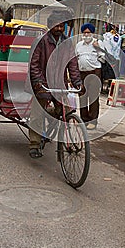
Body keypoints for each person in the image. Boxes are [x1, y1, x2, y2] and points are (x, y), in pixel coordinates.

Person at [28, 12, 82, 158]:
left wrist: (77, 81)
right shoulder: (41, 41)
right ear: (50, 26)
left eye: (61, 26)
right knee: (37, 113)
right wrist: (38, 81)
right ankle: (34, 144)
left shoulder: (67, 43)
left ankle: (52, 125)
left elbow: (73, 64)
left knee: (65, 111)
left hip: (59, 83)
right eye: (56, 26)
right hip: (42, 83)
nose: (59, 28)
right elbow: (34, 65)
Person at [75, 23, 105, 130]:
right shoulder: (79, 45)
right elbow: (75, 60)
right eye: (85, 32)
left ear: (92, 33)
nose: (86, 35)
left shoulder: (98, 43)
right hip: (81, 74)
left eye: (88, 32)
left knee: (93, 97)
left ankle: (93, 121)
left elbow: (103, 59)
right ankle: (84, 119)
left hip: (94, 73)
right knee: (82, 96)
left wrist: (97, 48)